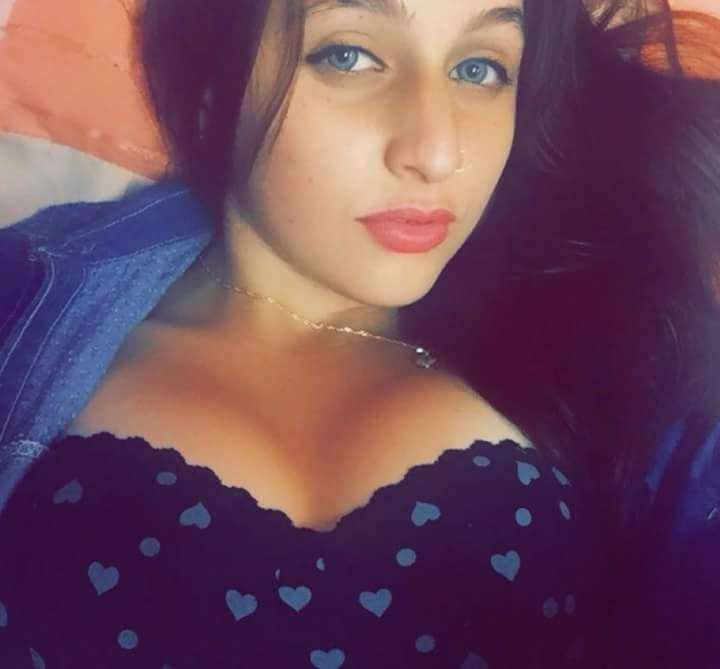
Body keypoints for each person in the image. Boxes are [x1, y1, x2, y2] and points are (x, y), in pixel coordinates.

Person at [0, 0, 717, 666]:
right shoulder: (24, 303)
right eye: (347, 56)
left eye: (479, 68)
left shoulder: (615, 337)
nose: (437, 152)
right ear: (212, 79)